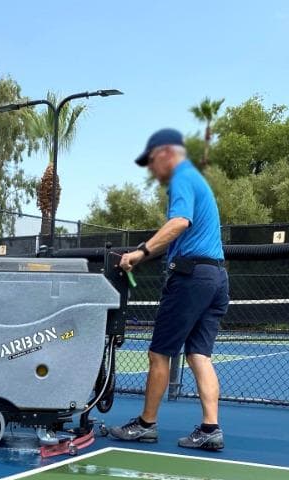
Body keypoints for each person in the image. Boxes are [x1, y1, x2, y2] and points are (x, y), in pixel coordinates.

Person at [109, 128, 229, 451]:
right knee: (198, 354)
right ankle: (210, 428)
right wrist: (143, 255)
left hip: (192, 278)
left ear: (165, 153)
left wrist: (140, 252)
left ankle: (146, 424)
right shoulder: (196, 181)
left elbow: (179, 223)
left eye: (151, 161)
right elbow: (178, 236)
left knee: (159, 353)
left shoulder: (181, 178)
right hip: (217, 277)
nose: (151, 170)